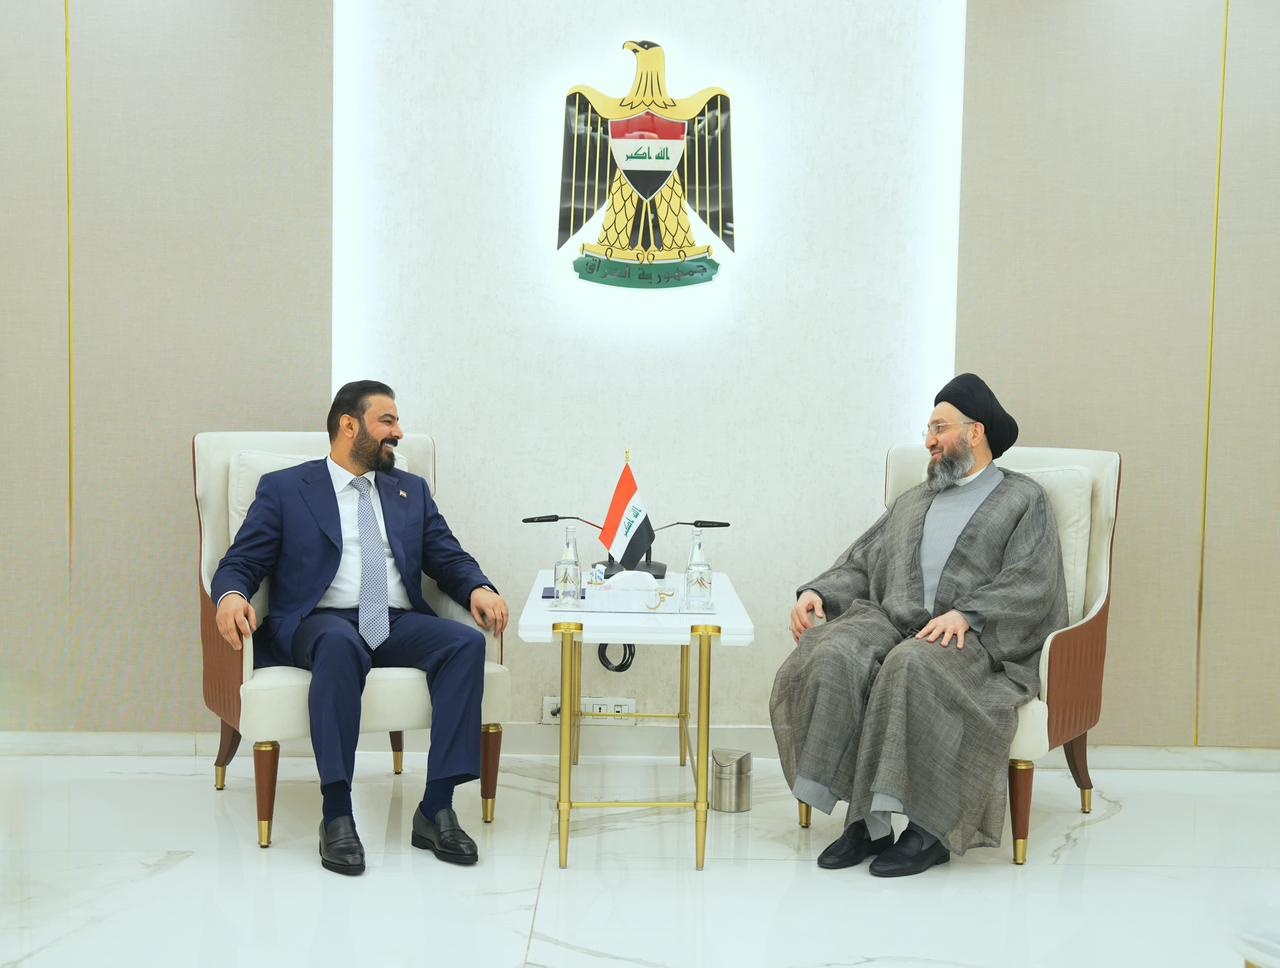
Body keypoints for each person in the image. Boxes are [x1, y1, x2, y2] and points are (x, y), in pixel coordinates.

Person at [770, 373, 1067, 877]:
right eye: (928, 429)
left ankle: (928, 831)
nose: (928, 440)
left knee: (911, 664)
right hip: (892, 620)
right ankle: (866, 823)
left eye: (939, 428)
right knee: (833, 651)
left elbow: (1033, 578)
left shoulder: (1022, 498)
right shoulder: (913, 500)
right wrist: (817, 592)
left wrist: (968, 613)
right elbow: (863, 562)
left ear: (975, 432)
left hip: (974, 637)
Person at [212, 380, 509, 876]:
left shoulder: (410, 490)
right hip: (319, 621)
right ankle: (337, 813)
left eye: (397, 421)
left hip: (395, 620)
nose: (399, 432)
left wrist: (478, 587)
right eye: (387, 421)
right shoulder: (285, 488)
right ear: (349, 426)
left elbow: (447, 555)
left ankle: (436, 808)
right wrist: (231, 596)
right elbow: (241, 561)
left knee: (463, 643)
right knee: (338, 643)